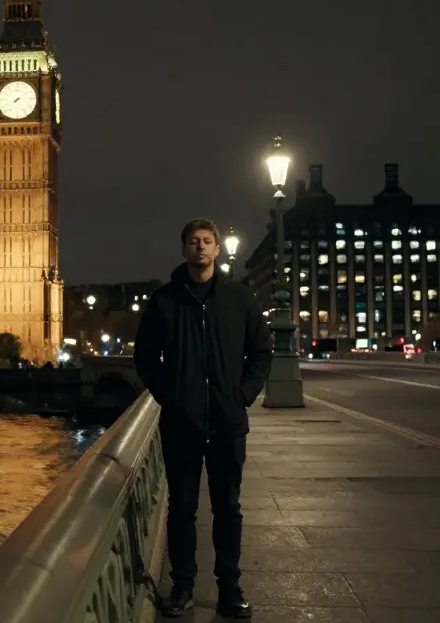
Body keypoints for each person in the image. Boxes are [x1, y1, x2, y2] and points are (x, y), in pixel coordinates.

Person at [134, 218, 273, 619]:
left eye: (207, 242)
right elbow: (146, 359)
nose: (200, 248)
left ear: (216, 249)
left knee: (228, 508)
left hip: (227, 424)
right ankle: (183, 586)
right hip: (182, 425)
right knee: (182, 509)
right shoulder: (164, 301)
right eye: (193, 242)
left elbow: (261, 352)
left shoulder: (240, 298)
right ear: (183, 250)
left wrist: (242, 397)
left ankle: (230, 588)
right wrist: (171, 398)